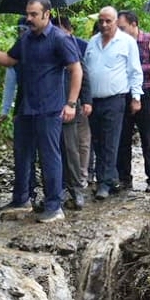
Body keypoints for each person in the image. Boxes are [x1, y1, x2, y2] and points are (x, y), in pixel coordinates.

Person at [0, 0, 81, 224]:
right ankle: (21, 199)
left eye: (34, 14)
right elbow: (9, 59)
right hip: (25, 106)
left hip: (49, 107)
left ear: (47, 14)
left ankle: (54, 206)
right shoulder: (25, 38)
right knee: (22, 155)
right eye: (28, 14)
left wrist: (71, 103)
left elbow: (76, 70)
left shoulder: (59, 38)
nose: (29, 18)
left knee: (49, 156)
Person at [83, 6, 143, 199]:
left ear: (116, 21)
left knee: (110, 141)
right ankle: (112, 178)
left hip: (115, 99)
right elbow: (85, 69)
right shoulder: (92, 42)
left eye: (108, 21)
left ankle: (103, 183)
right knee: (97, 141)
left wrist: (136, 97)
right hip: (94, 100)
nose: (104, 24)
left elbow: (135, 71)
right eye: (101, 21)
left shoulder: (126, 42)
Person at [55, 14, 94, 210]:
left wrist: (85, 100)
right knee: (51, 152)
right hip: (47, 106)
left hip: (68, 104)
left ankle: (76, 190)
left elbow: (82, 73)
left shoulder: (70, 45)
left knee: (71, 149)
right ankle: (55, 191)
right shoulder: (40, 44)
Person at [117, 10, 150, 192]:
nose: (119, 31)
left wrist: (134, 67)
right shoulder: (117, 43)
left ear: (134, 24)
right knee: (122, 138)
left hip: (146, 91)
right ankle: (124, 178)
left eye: (122, 27)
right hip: (123, 93)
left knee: (149, 137)